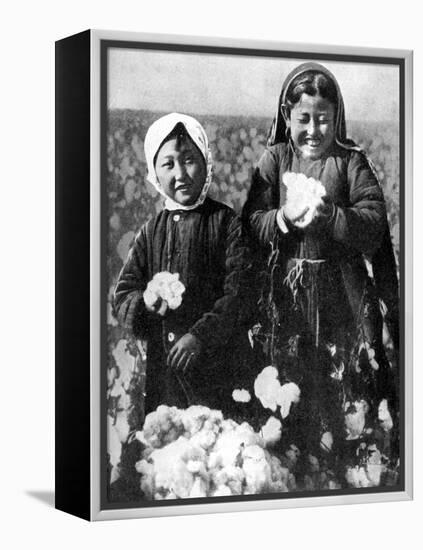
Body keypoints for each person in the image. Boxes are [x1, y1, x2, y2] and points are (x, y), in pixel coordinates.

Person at [242, 62, 399, 482]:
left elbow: (374, 222)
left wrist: (332, 216)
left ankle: (348, 468)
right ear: (286, 116)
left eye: (323, 119)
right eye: (303, 119)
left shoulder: (350, 163)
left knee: (344, 382)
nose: (313, 129)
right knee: (289, 384)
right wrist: (280, 218)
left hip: (340, 298)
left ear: (337, 118)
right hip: (286, 296)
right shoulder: (273, 160)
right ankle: (295, 464)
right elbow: (250, 222)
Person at [114, 113, 252, 418]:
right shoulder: (151, 231)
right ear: (154, 173)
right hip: (165, 377)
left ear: (206, 162)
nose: (181, 173)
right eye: (168, 164)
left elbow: (239, 292)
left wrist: (200, 336)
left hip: (216, 372)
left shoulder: (225, 222)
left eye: (189, 159)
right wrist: (145, 301)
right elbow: (123, 294)